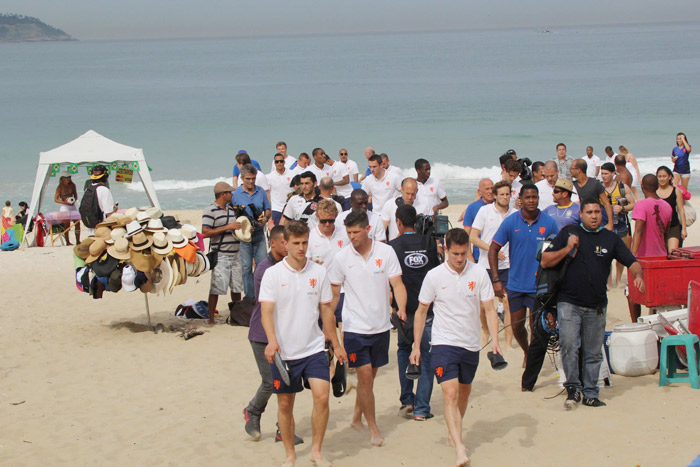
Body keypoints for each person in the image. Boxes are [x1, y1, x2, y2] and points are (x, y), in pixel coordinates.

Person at [410, 228, 501, 467]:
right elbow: (421, 312)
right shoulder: (434, 276)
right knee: (449, 393)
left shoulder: (479, 273)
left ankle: (454, 433)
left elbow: (490, 309)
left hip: (470, 344)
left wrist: (496, 342)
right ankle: (460, 448)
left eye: (464, 253)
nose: (460, 259)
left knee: (463, 393)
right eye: (456, 254)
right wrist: (416, 345)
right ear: (445, 250)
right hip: (443, 342)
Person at [541, 198, 645, 409]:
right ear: (581, 214)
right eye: (589, 212)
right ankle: (573, 390)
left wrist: (638, 275)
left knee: (593, 351)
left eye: (597, 212)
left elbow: (631, 260)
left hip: (597, 304)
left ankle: (590, 393)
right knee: (570, 346)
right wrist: (567, 248)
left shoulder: (610, 238)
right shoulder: (568, 233)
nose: (594, 216)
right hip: (568, 301)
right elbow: (545, 260)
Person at [260, 221, 347, 467]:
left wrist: (337, 344)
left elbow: (327, 312)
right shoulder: (273, 274)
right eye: (296, 243)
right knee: (285, 404)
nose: (301, 248)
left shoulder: (319, 273)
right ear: (285, 244)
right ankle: (290, 455)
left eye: (305, 243)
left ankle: (316, 451)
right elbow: (267, 312)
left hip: (314, 349)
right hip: (284, 353)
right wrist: (272, 341)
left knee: (322, 397)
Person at [329, 209, 407, 447]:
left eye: (356, 232)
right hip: (354, 327)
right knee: (364, 377)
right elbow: (333, 295)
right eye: (349, 232)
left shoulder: (386, 252)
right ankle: (373, 428)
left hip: (381, 326)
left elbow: (397, 283)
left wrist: (401, 308)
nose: (352, 237)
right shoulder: (341, 258)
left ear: (367, 229)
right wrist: (327, 321)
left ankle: (355, 418)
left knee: (368, 381)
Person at [489, 185, 559, 365]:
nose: (531, 200)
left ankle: (533, 362)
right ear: (520, 198)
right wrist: (496, 279)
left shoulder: (549, 223)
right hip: (516, 284)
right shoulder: (511, 222)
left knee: (537, 328)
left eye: (534, 197)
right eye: (527, 197)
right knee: (517, 326)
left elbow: (557, 251)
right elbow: (493, 248)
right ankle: (527, 351)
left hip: (539, 286)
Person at [243, 226, 298, 442]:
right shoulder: (264, 270)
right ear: (272, 243)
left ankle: (281, 430)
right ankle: (252, 411)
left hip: (285, 334)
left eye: (289, 241)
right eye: (284, 242)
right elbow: (275, 304)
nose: (288, 246)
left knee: (287, 383)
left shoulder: (289, 265)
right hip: (262, 335)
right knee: (271, 382)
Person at [389, 205, 440, 421]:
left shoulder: (393, 246)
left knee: (404, 350)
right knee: (426, 356)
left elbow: (391, 283)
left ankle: (407, 400)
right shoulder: (428, 243)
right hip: (426, 310)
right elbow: (437, 273)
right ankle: (421, 408)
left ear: (398, 222)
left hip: (404, 311)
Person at [469, 181, 516, 347]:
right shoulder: (484, 211)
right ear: (495, 196)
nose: (504, 197)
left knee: (508, 303)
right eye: (501, 194)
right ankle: (486, 332)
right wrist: (493, 250)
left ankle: (509, 341)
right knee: (483, 305)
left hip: (509, 266)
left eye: (507, 194)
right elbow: (473, 237)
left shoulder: (516, 213)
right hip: (485, 265)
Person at [202, 181, 243, 324]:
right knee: (216, 288)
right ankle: (211, 318)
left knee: (237, 288)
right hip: (221, 254)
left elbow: (235, 228)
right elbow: (205, 232)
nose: (232, 195)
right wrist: (228, 226)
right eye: (229, 193)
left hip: (236, 253)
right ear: (223, 194)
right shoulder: (210, 211)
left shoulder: (232, 210)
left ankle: (236, 316)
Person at [307, 200, 349, 333]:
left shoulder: (345, 233)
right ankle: (327, 352)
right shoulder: (310, 237)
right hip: (319, 290)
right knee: (322, 331)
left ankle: (344, 353)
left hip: (342, 289)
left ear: (336, 216)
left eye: (331, 221)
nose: (327, 224)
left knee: (344, 325)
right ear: (317, 217)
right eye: (323, 221)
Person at [232, 164, 272, 299]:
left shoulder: (260, 191)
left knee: (263, 266)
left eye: (253, 179)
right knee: (247, 268)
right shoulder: (236, 194)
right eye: (248, 179)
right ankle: (249, 297)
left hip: (259, 233)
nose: (251, 182)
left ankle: (263, 295)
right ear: (242, 178)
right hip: (244, 237)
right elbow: (232, 214)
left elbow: (267, 209)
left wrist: (265, 218)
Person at [600, 162, 636, 285]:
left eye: (606, 174)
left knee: (621, 253)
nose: (603, 176)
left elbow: (632, 204)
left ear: (613, 174)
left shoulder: (622, 187)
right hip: (604, 224)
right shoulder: (599, 188)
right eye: (602, 173)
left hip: (620, 224)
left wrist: (623, 208)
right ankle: (608, 280)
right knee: (605, 253)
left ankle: (619, 278)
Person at [570, 159, 613, 231]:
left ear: (578, 170)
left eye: (572, 168)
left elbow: (606, 204)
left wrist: (610, 223)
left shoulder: (595, 183)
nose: (570, 170)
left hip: (595, 222)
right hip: (579, 223)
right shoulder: (572, 185)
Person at [462, 178, 494, 263]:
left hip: (499, 255)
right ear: (480, 191)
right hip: (479, 256)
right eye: (487, 189)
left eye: (492, 188)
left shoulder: (500, 205)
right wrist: (469, 255)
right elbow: (466, 234)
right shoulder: (472, 208)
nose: (490, 191)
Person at [656, 165, 687, 251]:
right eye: (659, 176)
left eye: (664, 176)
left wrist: (684, 229)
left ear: (669, 177)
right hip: (658, 228)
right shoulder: (654, 192)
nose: (662, 179)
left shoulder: (675, 190)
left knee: (673, 252)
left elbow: (681, 210)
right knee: (662, 254)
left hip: (673, 226)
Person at [82, 164, 117, 236]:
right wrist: (114, 209)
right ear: (105, 177)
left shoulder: (88, 189)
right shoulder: (104, 190)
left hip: (90, 228)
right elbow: (108, 212)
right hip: (102, 228)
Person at [267, 153, 294, 225]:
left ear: (284, 162)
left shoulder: (293, 174)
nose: (279, 163)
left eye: (281, 161)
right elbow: (267, 195)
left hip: (290, 208)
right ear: (274, 162)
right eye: (277, 161)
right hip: (276, 209)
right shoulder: (269, 177)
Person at [54, 171, 80, 245]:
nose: (68, 179)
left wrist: (73, 201)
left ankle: (78, 241)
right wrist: (64, 202)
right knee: (67, 224)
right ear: (62, 178)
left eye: (69, 177)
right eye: (66, 178)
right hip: (64, 206)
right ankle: (67, 242)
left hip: (72, 205)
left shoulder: (72, 185)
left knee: (77, 222)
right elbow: (55, 199)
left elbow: (76, 195)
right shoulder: (59, 187)